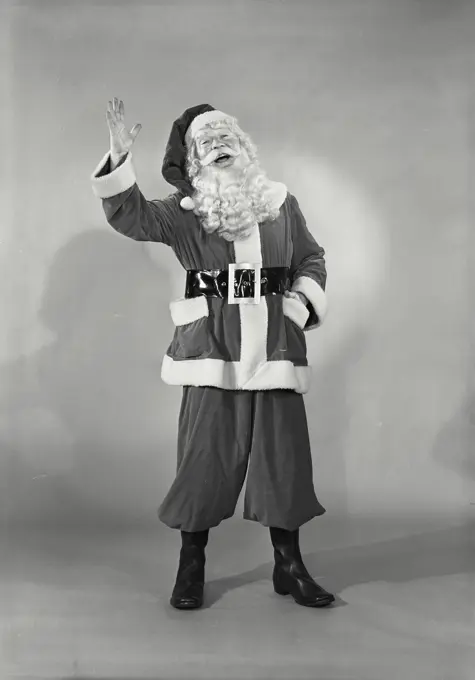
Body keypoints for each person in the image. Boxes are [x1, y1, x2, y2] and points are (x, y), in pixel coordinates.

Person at [90, 98, 335, 610]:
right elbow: (132, 217)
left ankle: (289, 564)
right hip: (213, 346)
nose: (220, 145)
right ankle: (191, 564)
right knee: (204, 458)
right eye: (207, 141)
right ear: (193, 159)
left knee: (282, 458)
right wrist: (117, 161)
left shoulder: (280, 202)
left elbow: (311, 256)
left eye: (227, 136)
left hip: (274, 344)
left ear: (243, 146)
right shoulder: (185, 213)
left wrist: (296, 307)